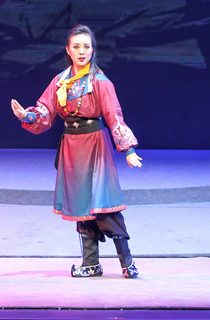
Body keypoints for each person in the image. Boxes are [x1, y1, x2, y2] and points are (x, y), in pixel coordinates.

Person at [10, 24, 143, 278]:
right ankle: (90, 263)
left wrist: (128, 149)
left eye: (86, 46)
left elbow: (114, 115)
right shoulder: (60, 81)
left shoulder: (99, 82)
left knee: (104, 204)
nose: (82, 51)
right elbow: (45, 111)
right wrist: (27, 115)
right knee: (81, 205)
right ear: (68, 50)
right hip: (72, 147)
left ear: (93, 50)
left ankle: (127, 263)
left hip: (94, 145)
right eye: (76, 46)